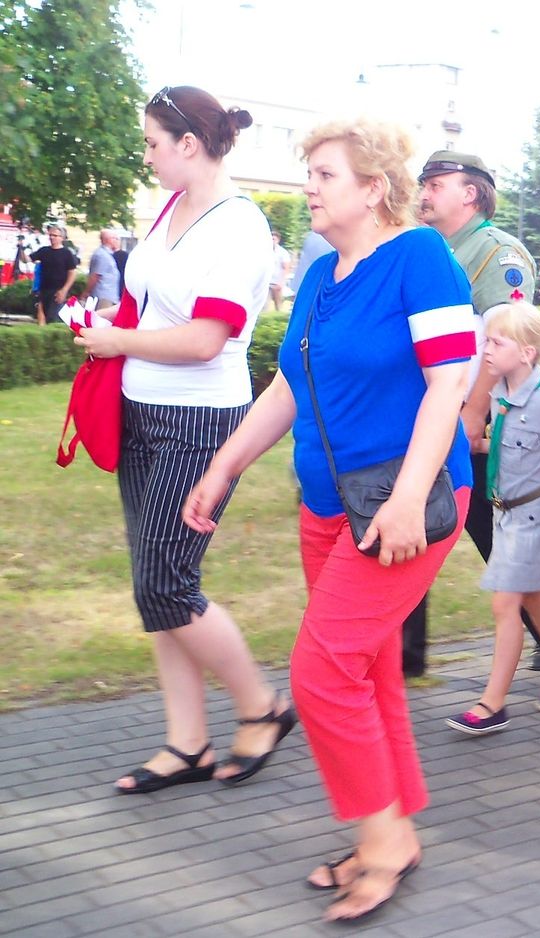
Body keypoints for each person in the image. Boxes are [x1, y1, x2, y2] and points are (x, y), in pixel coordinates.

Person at [185, 117, 477, 922]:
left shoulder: (420, 257)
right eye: (309, 173)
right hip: (326, 506)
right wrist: (225, 464)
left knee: (320, 673)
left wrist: (410, 497)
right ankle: (395, 829)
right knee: (365, 670)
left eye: (324, 175)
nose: (308, 188)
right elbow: (289, 385)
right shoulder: (320, 272)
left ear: (374, 188)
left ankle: (380, 844)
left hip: (403, 503)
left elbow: (450, 383)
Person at [73, 86, 294, 795]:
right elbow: (154, 306)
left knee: (166, 584)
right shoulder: (172, 206)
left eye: (152, 143)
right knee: (157, 587)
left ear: (189, 144)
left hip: (198, 421)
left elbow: (205, 340)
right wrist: (111, 325)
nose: (145, 156)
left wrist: (117, 341)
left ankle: (262, 706)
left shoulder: (239, 226)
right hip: (141, 408)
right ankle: (187, 742)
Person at [409, 150, 540, 676]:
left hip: (474, 416)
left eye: (437, 184)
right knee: (415, 518)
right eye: (424, 183)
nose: (424, 192)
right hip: (429, 408)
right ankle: (405, 652)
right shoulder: (427, 247)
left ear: (471, 193)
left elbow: (504, 342)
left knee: (491, 526)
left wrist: (476, 411)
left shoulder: (496, 253)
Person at [446, 302, 540, 735]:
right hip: (506, 514)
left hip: (533, 516)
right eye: (486, 341)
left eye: (496, 343)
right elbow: (509, 447)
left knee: (504, 603)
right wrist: (474, 446)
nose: (486, 350)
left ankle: (492, 704)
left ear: (526, 353)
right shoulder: (501, 394)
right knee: (533, 598)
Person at [31, 222, 78, 324]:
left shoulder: (67, 253)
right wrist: (21, 247)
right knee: (41, 317)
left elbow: (72, 272)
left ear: (62, 238)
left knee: (53, 318)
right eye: (50, 235)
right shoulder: (44, 251)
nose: (52, 238)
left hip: (58, 290)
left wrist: (64, 290)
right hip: (44, 290)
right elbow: (28, 259)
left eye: (55, 235)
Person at [84, 230, 122, 304]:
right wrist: (86, 292)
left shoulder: (107, 254)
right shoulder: (102, 255)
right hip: (103, 298)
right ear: (107, 240)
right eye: (115, 238)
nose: (118, 241)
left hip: (108, 297)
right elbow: (95, 276)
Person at [268, 231, 290, 312]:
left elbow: (286, 268)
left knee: (278, 306)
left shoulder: (283, 252)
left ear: (278, 240)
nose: (272, 241)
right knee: (264, 307)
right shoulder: (265, 251)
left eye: (274, 239)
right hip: (267, 282)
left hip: (277, 283)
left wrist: (282, 282)